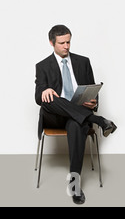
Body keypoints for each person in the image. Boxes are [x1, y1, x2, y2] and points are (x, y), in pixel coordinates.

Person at [35, 25, 117, 205]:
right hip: (55, 116)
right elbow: (38, 96)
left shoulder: (83, 62)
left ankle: (75, 183)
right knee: (48, 99)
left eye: (68, 42)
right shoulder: (42, 66)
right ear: (52, 43)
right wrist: (45, 90)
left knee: (76, 123)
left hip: (77, 116)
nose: (66, 46)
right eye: (62, 43)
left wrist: (93, 101)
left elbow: (92, 90)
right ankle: (99, 121)